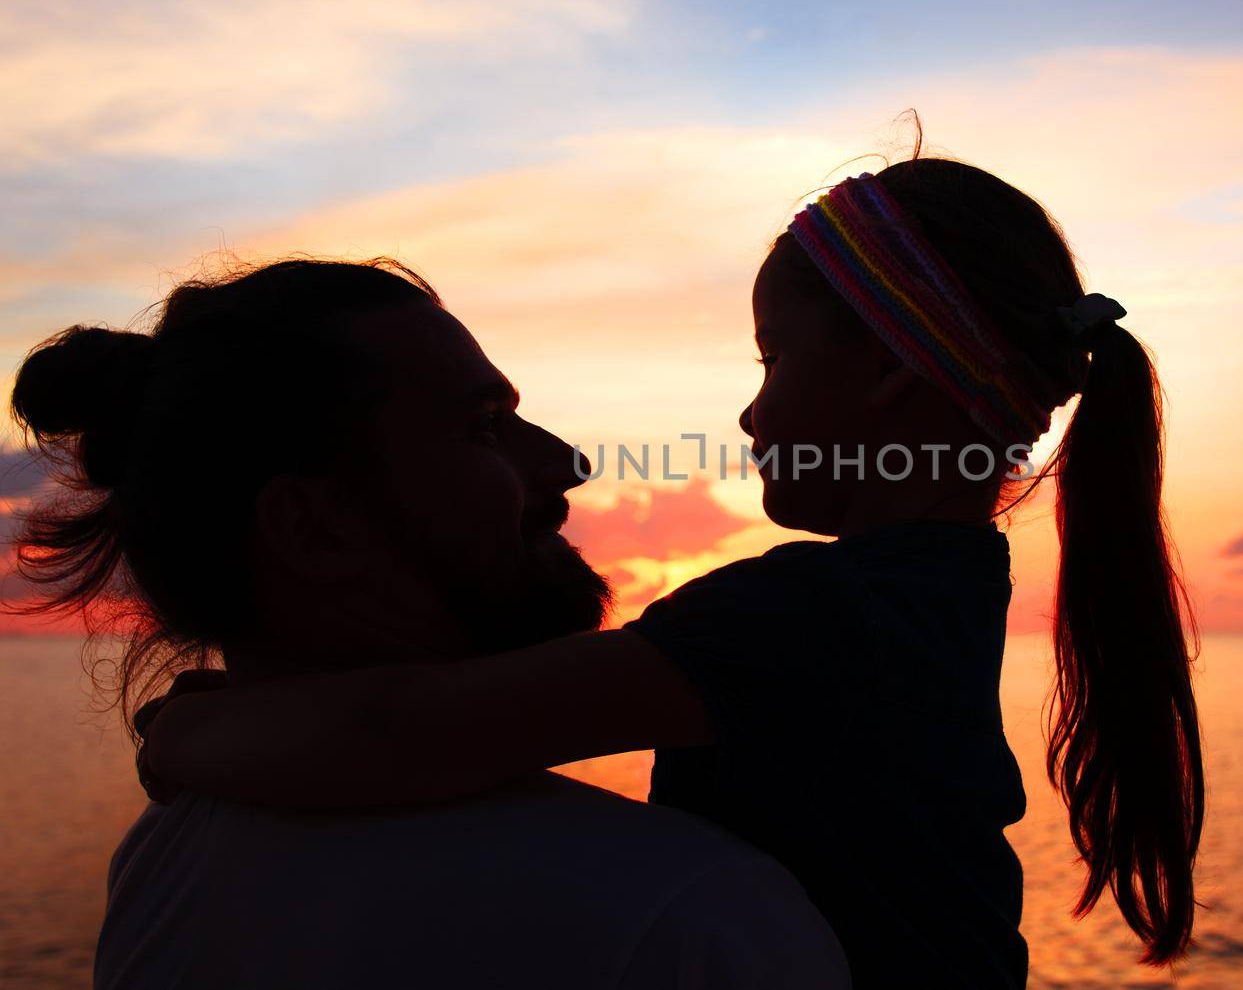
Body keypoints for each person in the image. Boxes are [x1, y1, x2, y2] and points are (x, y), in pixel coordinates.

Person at [138, 155, 1207, 988]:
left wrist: (193, 733)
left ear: (886, 376)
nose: (751, 409)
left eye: (773, 359)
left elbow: (411, 733)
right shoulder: (922, 604)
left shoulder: (809, 621)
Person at [7, 258, 849, 990]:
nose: (569, 463)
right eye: (484, 427)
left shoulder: (158, 864)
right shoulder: (690, 916)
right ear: (311, 525)